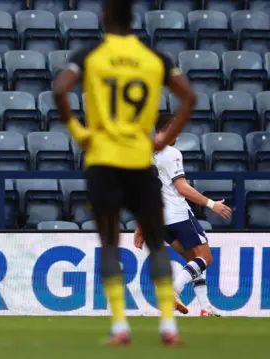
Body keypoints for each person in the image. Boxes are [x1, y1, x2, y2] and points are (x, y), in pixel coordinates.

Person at [52, 0, 196, 345]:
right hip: (139, 159)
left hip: (103, 160)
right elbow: (189, 97)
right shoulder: (155, 58)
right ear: (133, 20)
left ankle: (119, 326)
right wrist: (164, 137)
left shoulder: (91, 53)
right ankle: (168, 326)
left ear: (104, 18)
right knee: (158, 244)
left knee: (110, 244)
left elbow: (59, 90)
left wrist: (80, 133)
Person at [133, 115, 231, 317]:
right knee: (205, 258)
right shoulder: (171, 153)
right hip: (178, 215)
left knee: (193, 262)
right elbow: (182, 187)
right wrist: (211, 204)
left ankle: (205, 307)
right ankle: (174, 289)